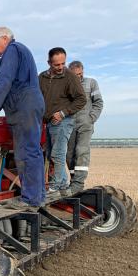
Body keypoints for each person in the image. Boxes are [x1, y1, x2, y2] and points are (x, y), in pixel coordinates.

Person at [0, 27, 46, 210]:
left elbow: (5, 79)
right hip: (29, 104)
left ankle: (30, 199)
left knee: (25, 153)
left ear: (4, 39)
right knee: (33, 151)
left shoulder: (12, 50)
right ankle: (38, 195)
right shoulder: (21, 51)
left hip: (24, 106)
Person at [38, 47, 86, 196]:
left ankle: (56, 186)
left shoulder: (70, 77)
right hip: (48, 122)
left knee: (58, 154)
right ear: (49, 63)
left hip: (63, 121)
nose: (60, 67)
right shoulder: (42, 77)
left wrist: (64, 113)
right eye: (56, 64)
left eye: (62, 63)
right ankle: (64, 184)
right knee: (51, 153)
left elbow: (81, 99)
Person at [66, 60, 103, 193]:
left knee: (81, 151)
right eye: (76, 75)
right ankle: (73, 180)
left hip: (85, 124)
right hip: (69, 124)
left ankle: (78, 183)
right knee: (69, 154)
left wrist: (91, 118)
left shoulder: (91, 83)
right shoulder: (66, 85)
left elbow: (98, 102)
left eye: (81, 74)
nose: (79, 77)